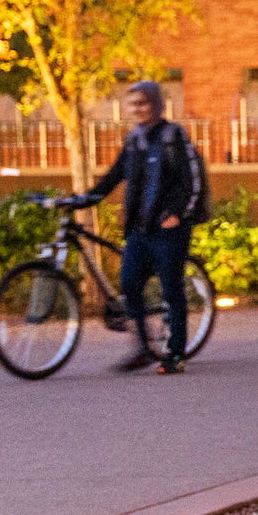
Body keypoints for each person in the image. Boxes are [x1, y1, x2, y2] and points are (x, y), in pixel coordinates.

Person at [72, 80, 205, 374]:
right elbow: (113, 176)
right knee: (130, 283)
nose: (137, 109)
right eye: (133, 104)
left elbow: (192, 180)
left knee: (171, 290)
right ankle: (145, 349)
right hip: (140, 230)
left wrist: (179, 214)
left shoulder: (173, 136)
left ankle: (175, 354)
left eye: (143, 103)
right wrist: (83, 200)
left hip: (169, 228)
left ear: (156, 104)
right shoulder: (134, 140)